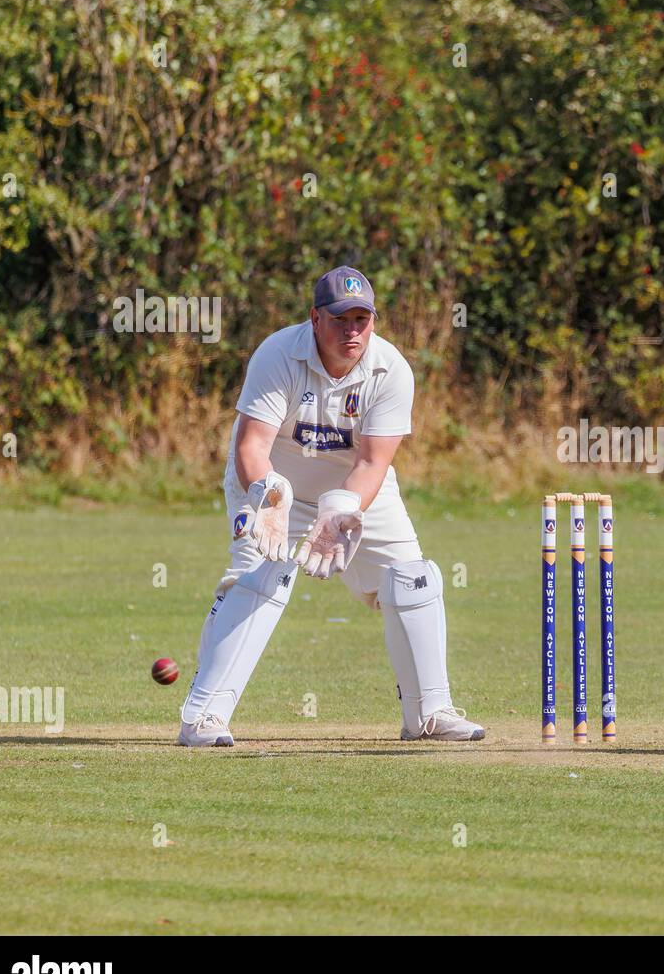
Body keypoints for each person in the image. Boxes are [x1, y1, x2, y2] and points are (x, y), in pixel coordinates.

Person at [176, 265, 484, 746]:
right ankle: (203, 718)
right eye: (341, 319)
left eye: (362, 318)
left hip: (356, 491)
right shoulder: (278, 353)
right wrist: (269, 498)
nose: (352, 330)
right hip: (272, 487)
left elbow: (371, 459)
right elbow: (250, 447)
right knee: (260, 580)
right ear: (315, 318)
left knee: (413, 578)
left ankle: (428, 713)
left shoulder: (391, 369)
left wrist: (340, 510)